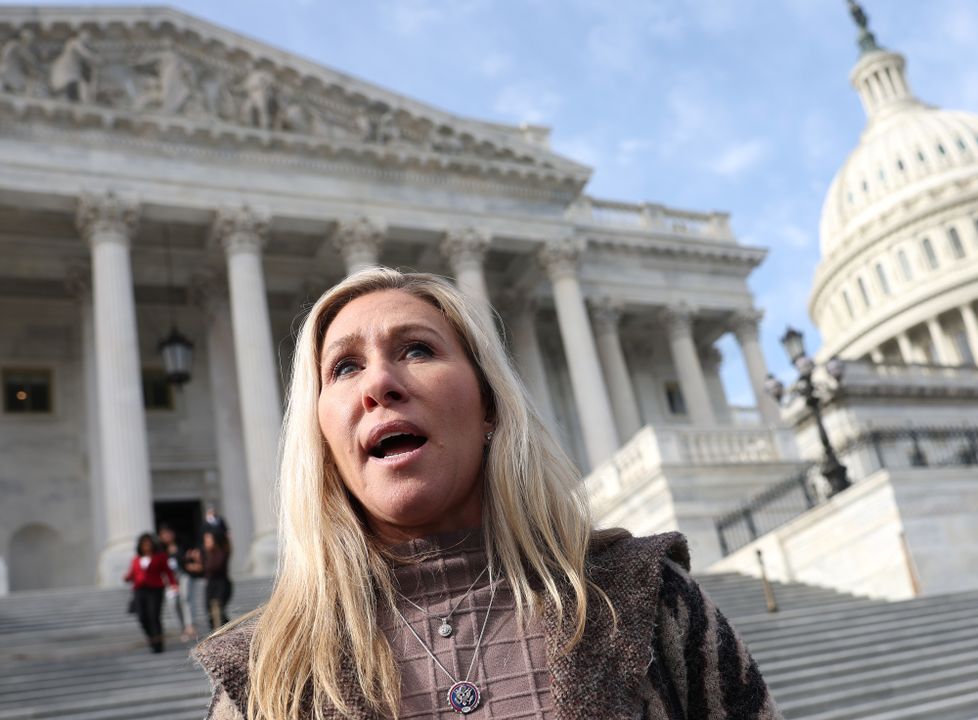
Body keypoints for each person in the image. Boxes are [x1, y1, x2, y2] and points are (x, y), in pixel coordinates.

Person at [195, 268, 779, 720]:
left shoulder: (645, 599)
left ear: (490, 407)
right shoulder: (264, 674)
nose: (378, 383)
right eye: (344, 367)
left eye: (417, 350)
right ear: (320, 438)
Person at [124, 532, 178, 653]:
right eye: (144, 544)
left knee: (154, 615)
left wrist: (173, 584)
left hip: (155, 589)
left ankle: (158, 643)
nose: (147, 546)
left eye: (149, 543)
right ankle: (151, 637)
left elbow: (167, 571)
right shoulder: (136, 559)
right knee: (142, 616)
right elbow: (132, 574)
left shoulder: (160, 556)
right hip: (139, 590)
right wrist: (126, 577)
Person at [157, 524, 198, 641]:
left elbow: (191, 559)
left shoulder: (183, 545)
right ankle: (182, 628)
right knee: (173, 603)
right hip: (170, 580)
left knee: (186, 598)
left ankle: (190, 625)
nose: (167, 536)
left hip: (184, 575)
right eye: (164, 534)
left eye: (168, 533)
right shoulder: (160, 551)